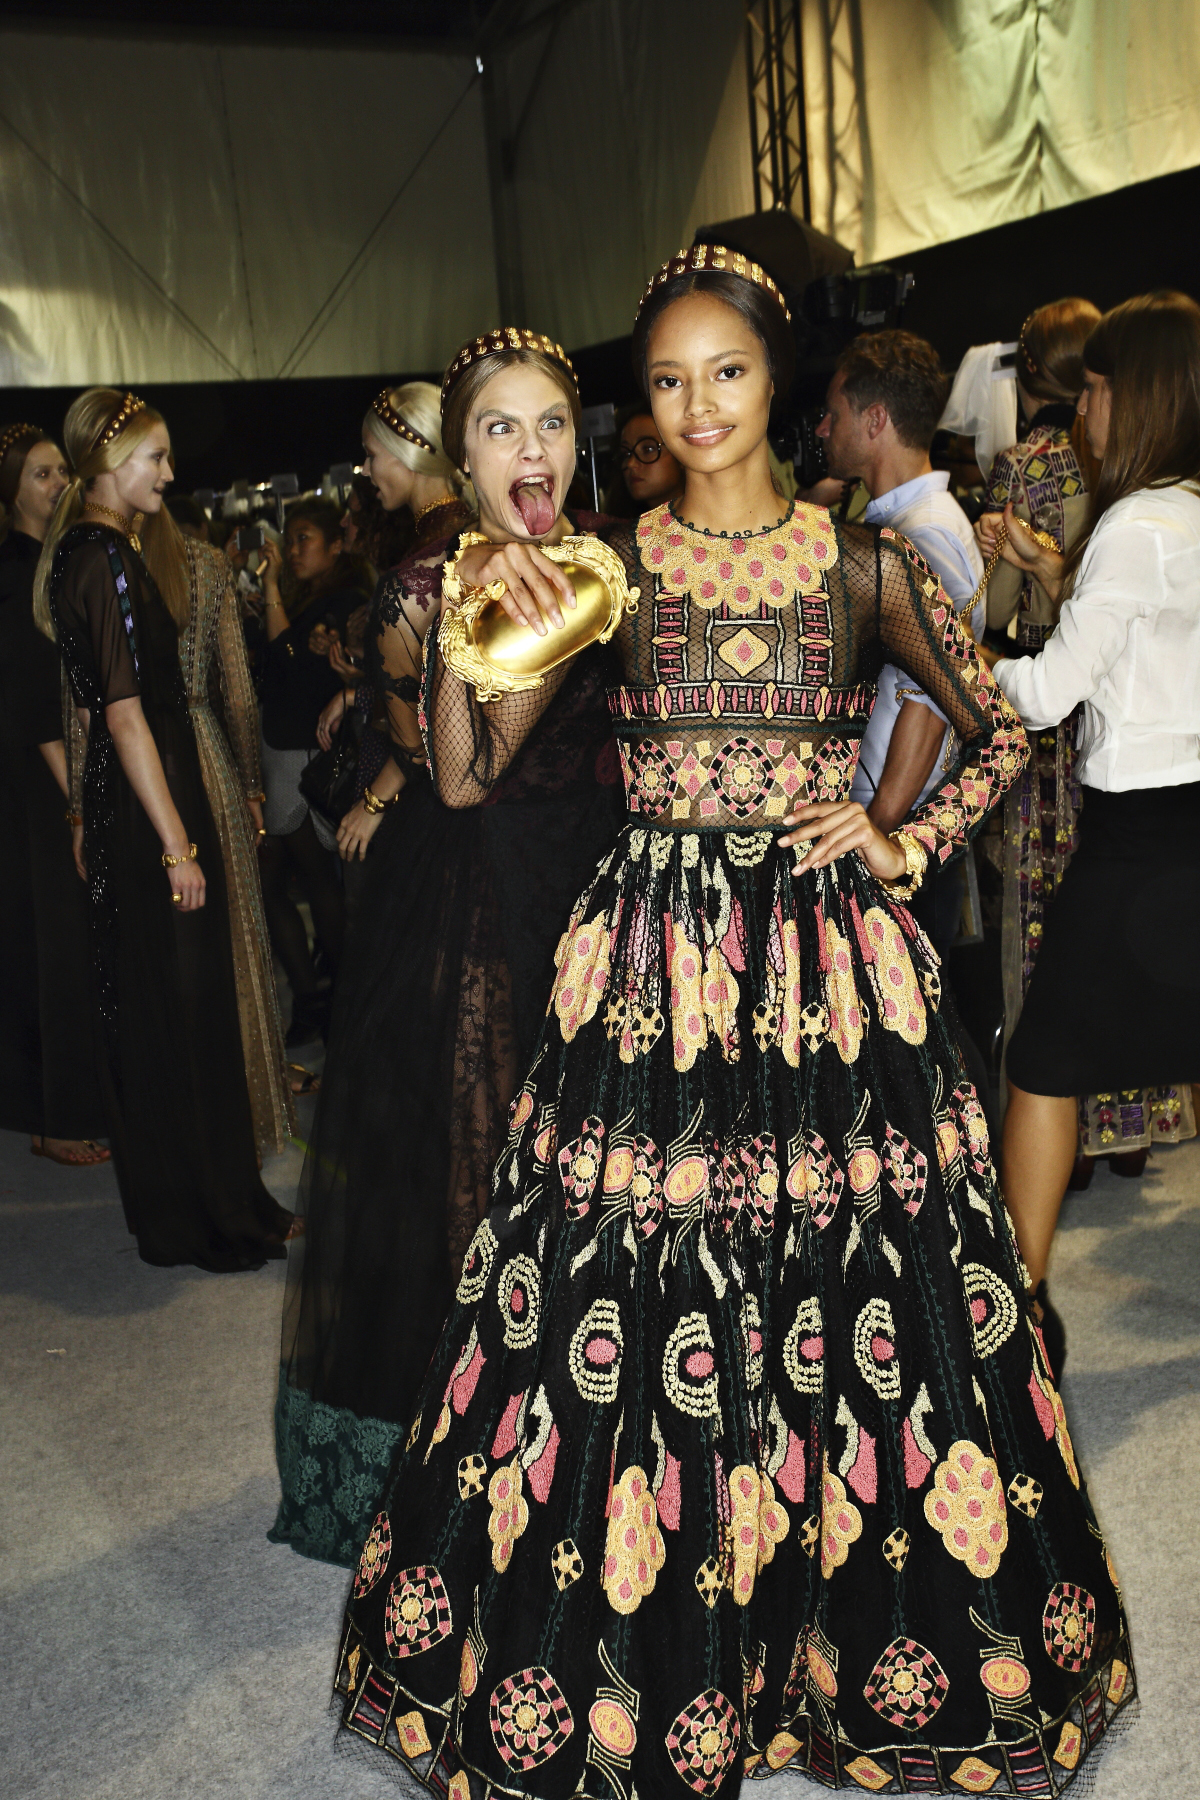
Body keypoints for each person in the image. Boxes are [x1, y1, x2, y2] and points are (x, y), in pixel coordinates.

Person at [334, 258, 1131, 1795]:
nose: (697, 410)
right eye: (671, 383)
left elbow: (1003, 724)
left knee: (864, 1298)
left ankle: (856, 1660)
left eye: (731, 376)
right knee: (632, 1301)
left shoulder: (860, 564)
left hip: (834, 969)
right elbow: (461, 776)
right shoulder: (606, 569)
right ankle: (666, 1669)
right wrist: (454, 623)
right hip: (657, 972)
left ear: (781, 381)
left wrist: (905, 843)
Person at [271, 354, 622, 1566]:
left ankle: (596, 1436)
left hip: (599, 883)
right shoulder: (429, 582)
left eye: (552, 424)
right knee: (484, 1168)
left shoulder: (604, 558)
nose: (530, 449)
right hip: (481, 895)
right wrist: (473, 603)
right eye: (498, 428)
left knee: (602, 1167)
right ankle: (480, 1459)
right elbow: (450, 769)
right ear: (459, 458)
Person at [985, 291, 1200, 1363]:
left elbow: (1048, 695)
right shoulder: (1188, 514)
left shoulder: (1132, 524)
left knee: (1045, 1061)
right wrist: (1058, 572)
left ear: (1133, 392)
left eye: (1100, 386)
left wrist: (955, 657)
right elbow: (1145, 636)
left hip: (1140, 842)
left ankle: (1019, 1310)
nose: (1085, 408)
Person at [36, 388, 295, 1270]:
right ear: (111, 462)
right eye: (157, 457)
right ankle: (215, 1216)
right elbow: (122, 716)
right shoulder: (103, 556)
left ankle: (193, 1211)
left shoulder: (88, 551)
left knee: (158, 1014)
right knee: (186, 1017)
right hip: (154, 801)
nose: (171, 473)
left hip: (130, 800)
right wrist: (178, 844)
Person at [817, 331, 984, 930]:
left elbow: (932, 703)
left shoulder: (925, 533)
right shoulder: (905, 522)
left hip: (896, 825)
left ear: (875, 419)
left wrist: (877, 836)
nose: (821, 430)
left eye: (832, 415)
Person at [0, 423, 108, 1165]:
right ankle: (52, 1119)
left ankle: (65, 1104)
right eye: (42, 474)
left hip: (61, 768)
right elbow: (28, 699)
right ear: (12, 491)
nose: (59, 481)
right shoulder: (13, 572)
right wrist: (75, 795)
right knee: (49, 946)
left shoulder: (57, 559)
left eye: (62, 470)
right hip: (33, 782)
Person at [178, 531, 296, 1155]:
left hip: (128, 766)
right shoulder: (203, 563)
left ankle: (186, 1112)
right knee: (239, 940)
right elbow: (240, 691)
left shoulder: (86, 555)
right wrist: (251, 783)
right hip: (203, 754)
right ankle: (251, 1101)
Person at [257, 499, 372, 1044]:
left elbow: (284, 659)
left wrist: (273, 587)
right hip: (283, 748)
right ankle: (318, 998)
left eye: (304, 538)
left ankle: (333, 1001)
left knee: (315, 875)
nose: (293, 548)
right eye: (290, 537)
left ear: (336, 545)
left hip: (304, 753)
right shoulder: (318, 603)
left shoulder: (344, 600)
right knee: (279, 876)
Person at [607, 402, 685, 516]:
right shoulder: (622, 530)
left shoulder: (712, 524)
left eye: (648, 449)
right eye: (626, 453)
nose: (630, 463)